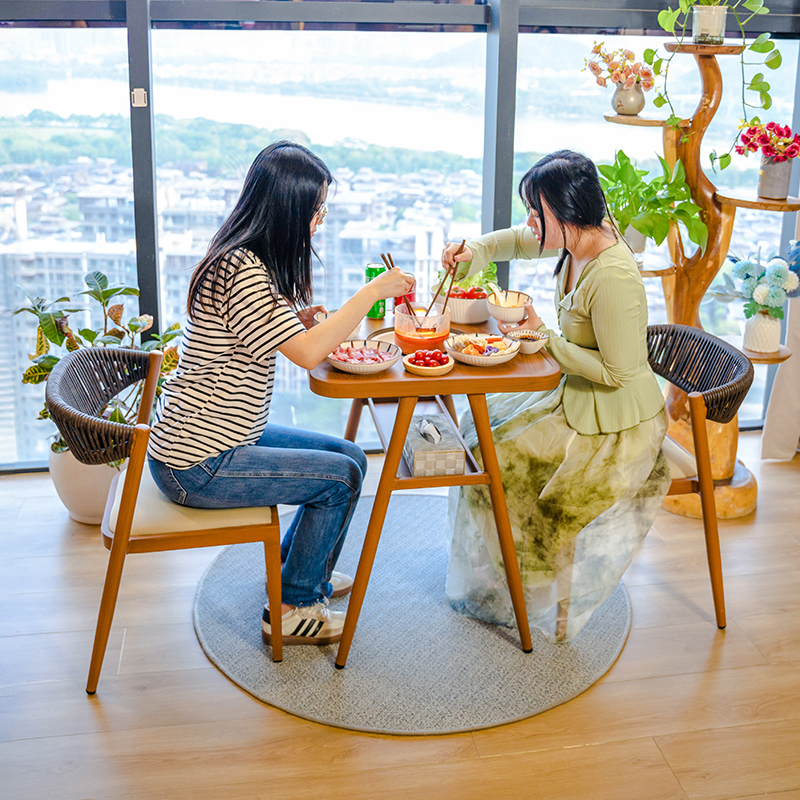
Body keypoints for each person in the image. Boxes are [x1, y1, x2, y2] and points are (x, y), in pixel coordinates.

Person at [147, 141, 415, 648]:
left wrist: (303, 320)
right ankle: (292, 604)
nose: (319, 219)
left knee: (351, 456)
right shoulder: (241, 270)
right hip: (199, 464)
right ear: (287, 208)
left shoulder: (241, 256)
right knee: (338, 480)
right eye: (316, 209)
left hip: (221, 437)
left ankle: (297, 574)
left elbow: (278, 335)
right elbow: (310, 354)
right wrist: (373, 291)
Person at [440, 149, 670, 641]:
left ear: (566, 214)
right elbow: (520, 242)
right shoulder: (578, 237)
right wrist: (473, 251)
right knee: (475, 432)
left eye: (536, 210)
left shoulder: (613, 277)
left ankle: (526, 586)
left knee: (495, 457)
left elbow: (618, 373)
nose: (530, 222)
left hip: (615, 423)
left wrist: (545, 336)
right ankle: (506, 578)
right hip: (577, 395)